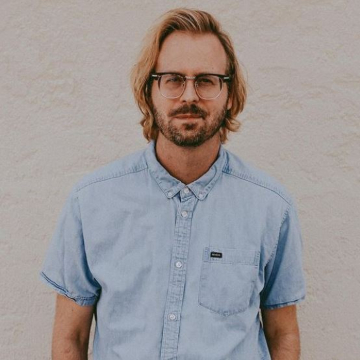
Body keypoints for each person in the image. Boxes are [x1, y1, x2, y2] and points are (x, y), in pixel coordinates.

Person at [39, 8, 306, 360]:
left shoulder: (270, 207)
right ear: (150, 90)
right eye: (173, 79)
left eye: (207, 80)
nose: (189, 96)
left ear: (229, 93)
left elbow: (282, 333)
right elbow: (70, 338)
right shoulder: (91, 203)